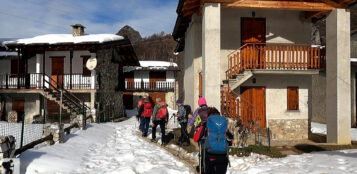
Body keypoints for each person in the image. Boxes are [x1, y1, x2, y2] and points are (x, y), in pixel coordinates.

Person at [194, 107, 232, 174]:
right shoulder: (224, 125)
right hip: (223, 156)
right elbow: (230, 141)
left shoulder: (206, 124)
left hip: (209, 155)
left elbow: (196, 138)